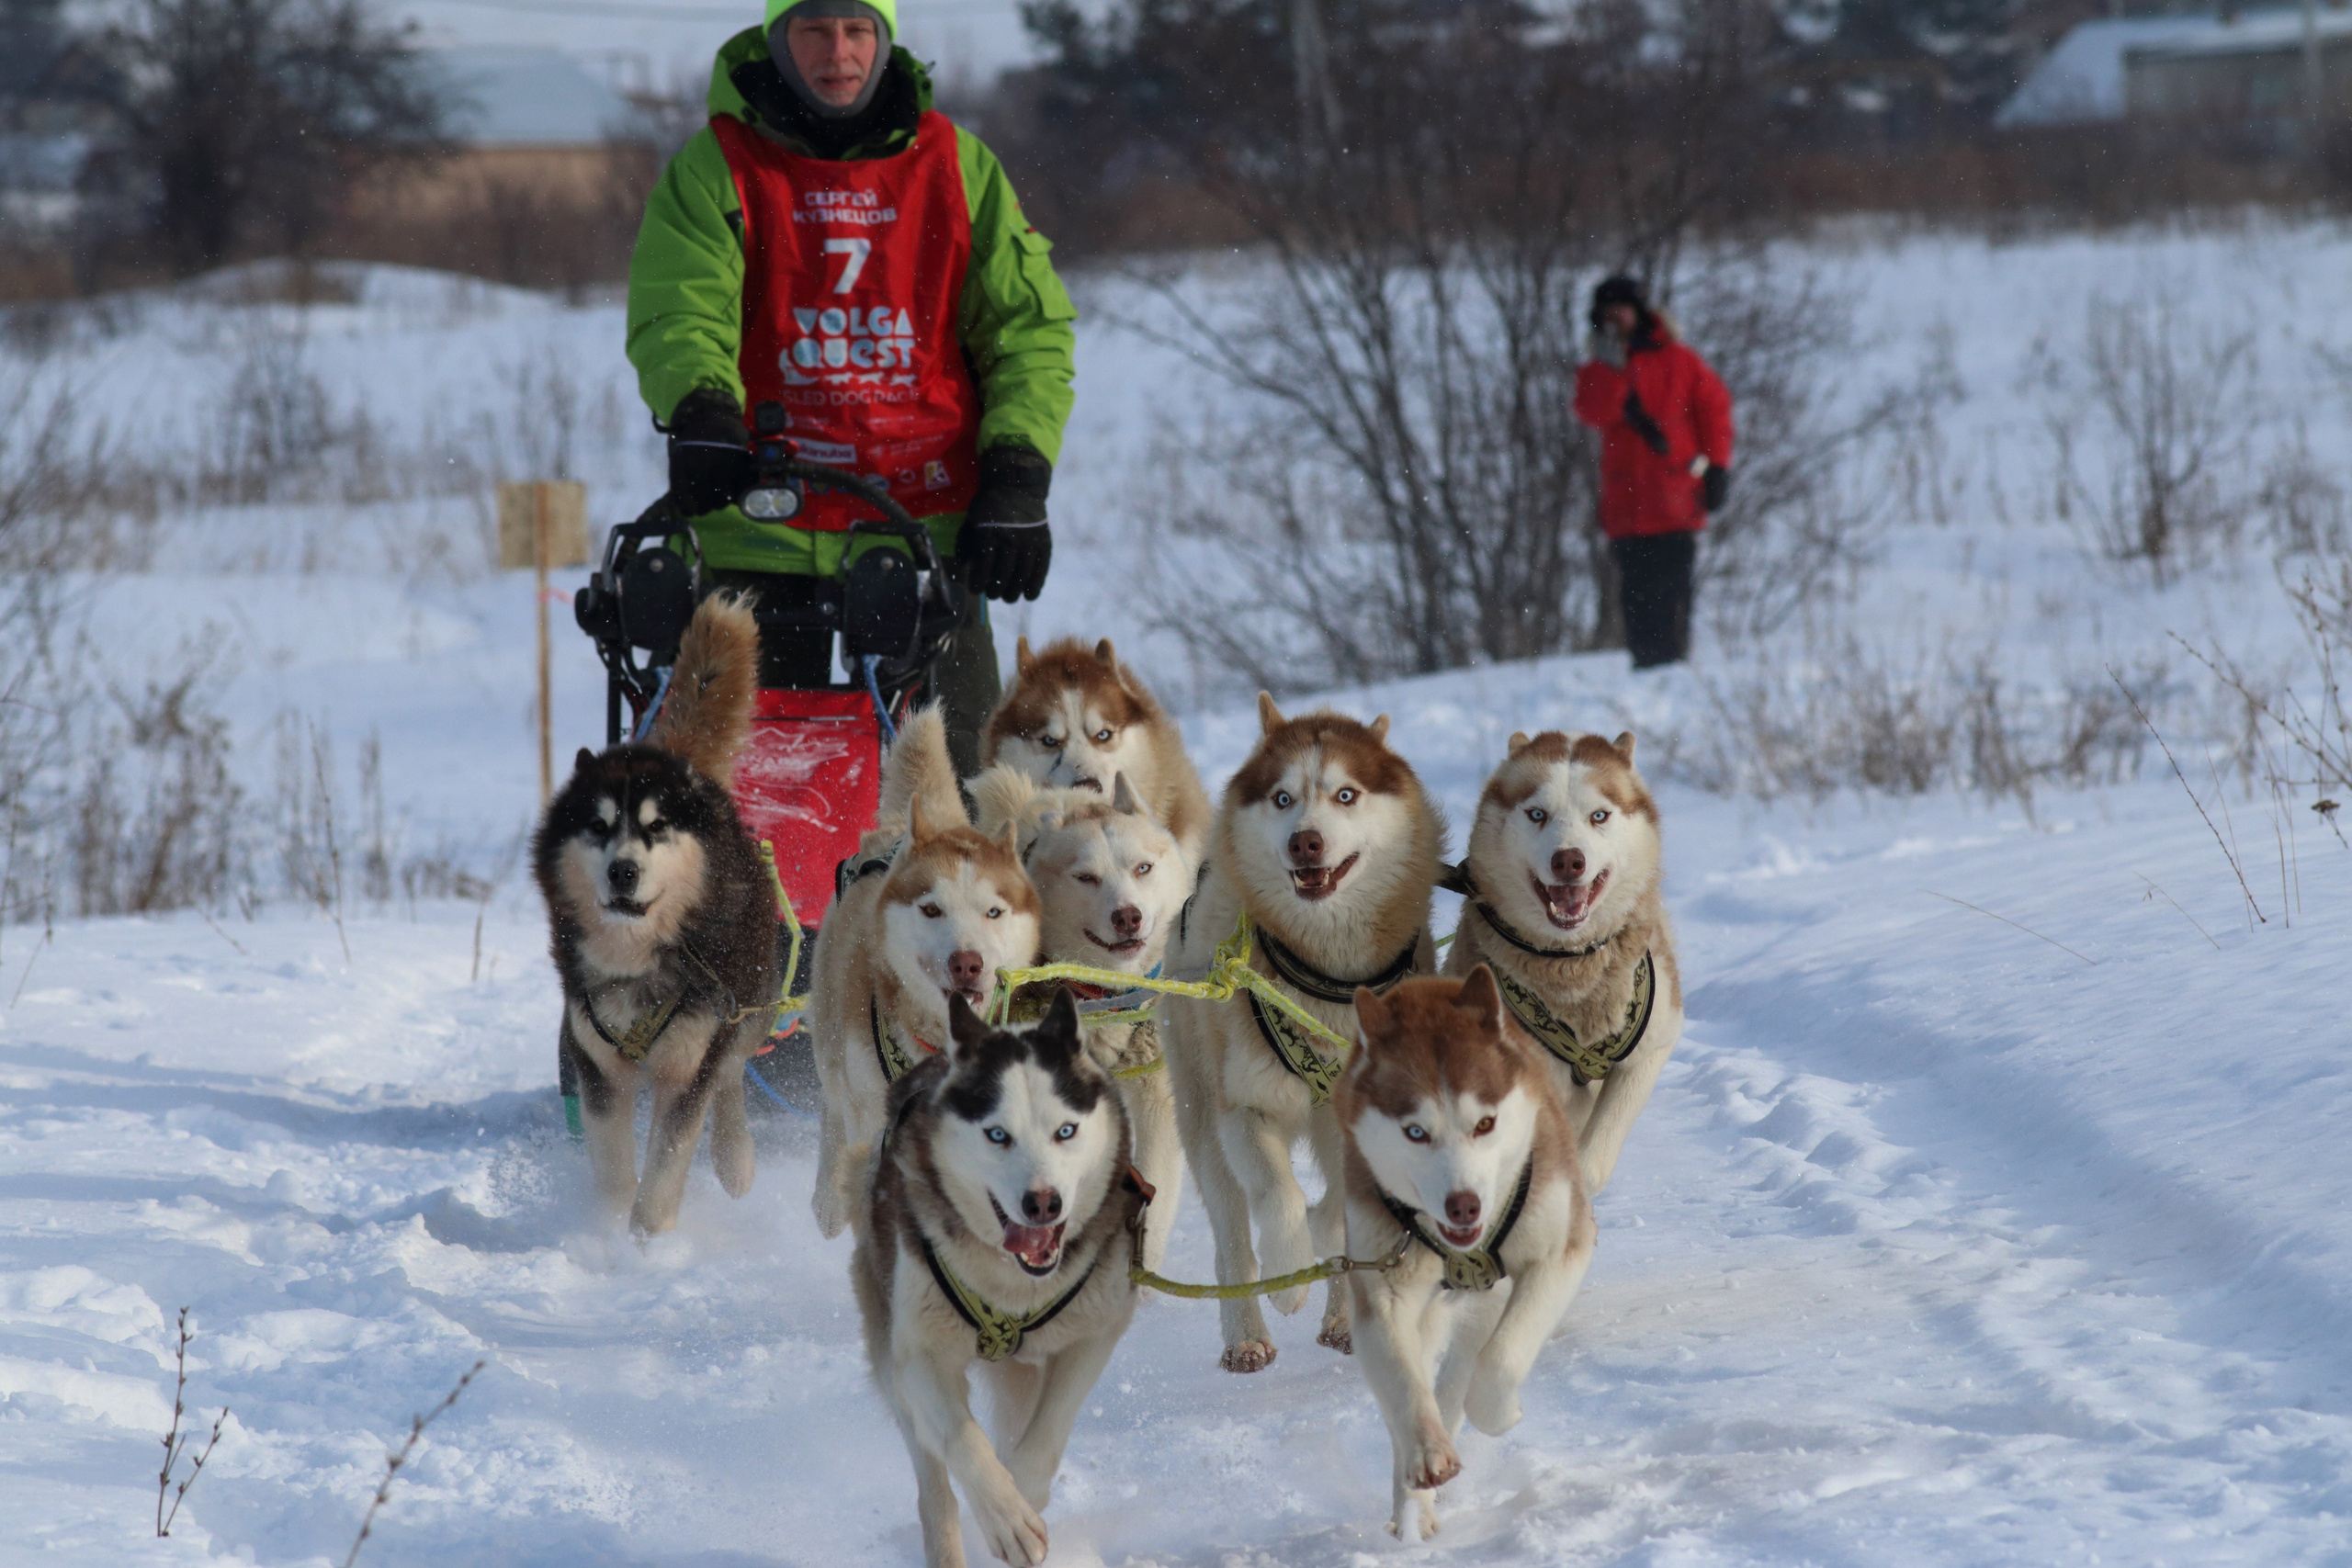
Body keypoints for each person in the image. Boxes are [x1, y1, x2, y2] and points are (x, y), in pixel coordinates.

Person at [627, 0, 1077, 774]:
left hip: (923, 530)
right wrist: (701, 406)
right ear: (777, 37)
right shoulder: (718, 169)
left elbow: (1027, 329)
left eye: (859, 28)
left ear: (884, 36)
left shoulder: (957, 167)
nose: (839, 51)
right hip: (759, 529)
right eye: (814, 28)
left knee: (973, 796)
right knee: (744, 794)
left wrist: (1017, 476)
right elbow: (680, 308)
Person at [1571, 275, 1733, 670]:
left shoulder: (1680, 360)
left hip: (1677, 499)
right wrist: (1611, 370)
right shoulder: (1598, 369)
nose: (1615, 320)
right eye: (1606, 314)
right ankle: (1646, 666)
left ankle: (1674, 665)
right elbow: (1594, 411)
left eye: (1620, 311)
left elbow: (1714, 412)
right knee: (1636, 597)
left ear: (1638, 312)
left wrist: (1717, 468)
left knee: (1674, 591)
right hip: (1626, 507)